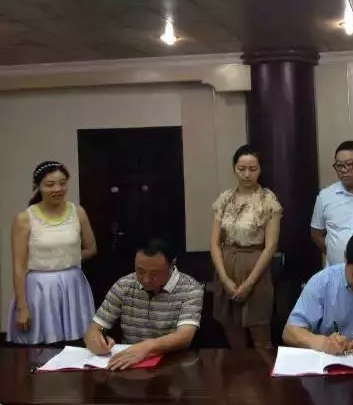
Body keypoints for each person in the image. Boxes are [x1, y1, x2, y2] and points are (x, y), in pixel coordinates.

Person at [8, 161, 97, 345]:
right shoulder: (24, 218)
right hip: (39, 289)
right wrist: (22, 307)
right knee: (42, 346)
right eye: (50, 184)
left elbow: (91, 248)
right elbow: (19, 266)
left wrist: (65, 258)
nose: (58, 189)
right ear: (38, 186)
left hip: (73, 285)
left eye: (62, 183)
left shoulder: (78, 212)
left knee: (77, 344)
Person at [84, 238, 203, 370]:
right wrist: (95, 339)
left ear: (171, 265)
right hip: (128, 364)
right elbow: (94, 328)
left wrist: (146, 348)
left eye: (154, 273)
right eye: (140, 271)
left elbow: (184, 336)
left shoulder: (190, 289)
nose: (146, 279)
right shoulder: (124, 285)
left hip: (172, 365)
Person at [210, 145, 282, 349]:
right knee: (233, 337)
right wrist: (224, 279)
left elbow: (271, 246)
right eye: (241, 169)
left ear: (260, 169)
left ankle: (265, 371)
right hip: (226, 266)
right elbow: (214, 243)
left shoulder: (268, 200)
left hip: (255, 268)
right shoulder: (224, 199)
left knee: (261, 337)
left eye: (253, 169)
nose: (247, 174)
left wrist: (249, 284)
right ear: (234, 168)